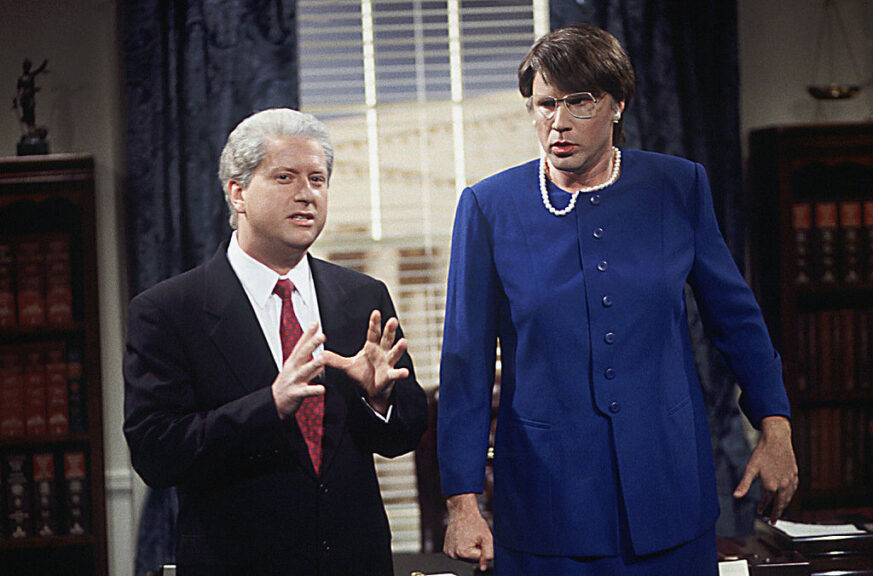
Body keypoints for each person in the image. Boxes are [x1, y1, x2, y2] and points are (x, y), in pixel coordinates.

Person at [437, 24, 798, 575]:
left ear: (617, 104)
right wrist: (462, 502)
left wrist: (776, 428)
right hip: (547, 504)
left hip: (670, 490)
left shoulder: (677, 186)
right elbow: (464, 364)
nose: (558, 122)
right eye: (544, 105)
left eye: (579, 103)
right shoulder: (488, 207)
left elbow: (738, 321)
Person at [124, 108, 428, 576]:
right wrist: (269, 406)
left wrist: (379, 397)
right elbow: (156, 454)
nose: (306, 194)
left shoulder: (363, 297)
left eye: (318, 179)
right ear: (238, 192)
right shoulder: (168, 311)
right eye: (285, 177)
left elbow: (403, 434)